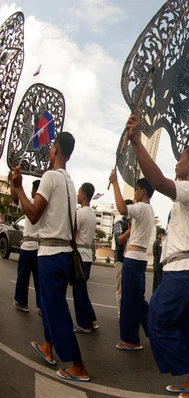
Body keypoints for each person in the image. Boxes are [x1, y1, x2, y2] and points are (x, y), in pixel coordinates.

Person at [124, 113, 189, 397]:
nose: (176, 162)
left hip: (182, 273)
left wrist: (137, 142)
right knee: (188, 329)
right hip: (183, 271)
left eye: (180, 158)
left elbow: (159, 181)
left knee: (157, 321)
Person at [11, 132, 90, 382]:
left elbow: (33, 215)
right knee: (48, 304)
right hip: (64, 254)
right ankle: (48, 345)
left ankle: (78, 366)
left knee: (55, 310)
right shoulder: (69, 182)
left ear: (56, 150)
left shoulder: (49, 177)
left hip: (51, 255)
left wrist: (20, 188)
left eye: (51, 148)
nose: (48, 152)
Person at [109, 172, 155, 351]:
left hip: (133, 259)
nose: (134, 194)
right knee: (137, 300)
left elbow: (122, 209)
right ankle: (155, 330)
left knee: (129, 301)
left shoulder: (142, 208)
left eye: (136, 190)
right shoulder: (148, 210)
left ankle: (131, 340)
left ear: (143, 191)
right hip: (138, 259)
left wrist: (115, 183)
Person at [11, 179, 41, 314]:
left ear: (34, 192)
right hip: (40, 248)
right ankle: (42, 307)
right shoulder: (46, 205)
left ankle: (22, 303)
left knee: (23, 277)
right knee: (40, 281)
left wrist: (13, 183)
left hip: (28, 247)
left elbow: (14, 197)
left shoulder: (29, 202)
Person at [72, 183, 99, 333]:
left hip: (79, 255)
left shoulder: (80, 213)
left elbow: (73, 234)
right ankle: (92, 319)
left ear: (84, 196)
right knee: (82, 290)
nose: (77, 195)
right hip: (87, 255)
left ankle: (84, 324)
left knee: (79, 291)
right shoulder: (92, 215)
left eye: (79, 192)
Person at [112, 199, 133, 319]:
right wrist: (129, 231)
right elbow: (118, 241)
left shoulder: (137, 223)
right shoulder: (119, 223)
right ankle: (121, 314)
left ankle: (130, 313)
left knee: (131, 289)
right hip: (121, 259)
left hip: (132, 260)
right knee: (120, 288)